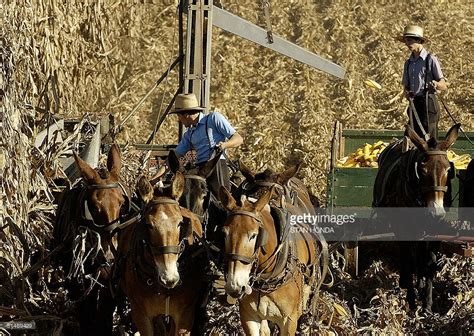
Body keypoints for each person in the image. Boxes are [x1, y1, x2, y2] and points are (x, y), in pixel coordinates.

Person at [171, 93, 243, 196]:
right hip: (200, 170)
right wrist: (155, 178)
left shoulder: (214, 119)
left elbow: (238, 139)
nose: (179, 120)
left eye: (178, 116)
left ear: (185, 115)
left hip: (216, 165)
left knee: (221, 199)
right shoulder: (189, 134)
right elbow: (175, 155)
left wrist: (224, 145)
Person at [398, 25, 448, 140]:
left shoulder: (430, 59)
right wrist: (406, 92)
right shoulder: (408, 63)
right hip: (414, 103)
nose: (407, 43)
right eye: (406, 40)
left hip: (428, 102)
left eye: (410, 40)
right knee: (410, 137)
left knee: (428, 140)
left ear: (419, 41)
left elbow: (443, 84)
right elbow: (406, 86)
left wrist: (436, 84)